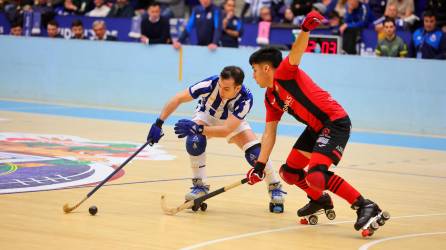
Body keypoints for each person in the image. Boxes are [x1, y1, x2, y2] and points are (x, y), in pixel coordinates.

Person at [246, 10, 388, 233]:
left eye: (254, 70)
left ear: (266, 68)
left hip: (335, 122)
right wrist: (260, 167)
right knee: (289, 172)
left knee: (316, 174)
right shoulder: (270, 98)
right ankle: (319, 200)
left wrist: (304, 30)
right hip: (316, 128)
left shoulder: (284, 73)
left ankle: (365, 205)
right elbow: (269, 133)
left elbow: (296, 52)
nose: (253, 76)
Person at [146, 66, 286, 213]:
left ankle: (274, 186)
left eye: (226, 89)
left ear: (237, 88)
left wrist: (198, 129)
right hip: (206, 116)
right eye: (220, 85)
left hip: (231, 122)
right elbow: (178, 98)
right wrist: (158, 123)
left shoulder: (245, 98)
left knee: (256, 154)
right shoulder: (210, 84)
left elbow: (226, 130)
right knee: (194, 141)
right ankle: (199, 185)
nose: (221, 90)